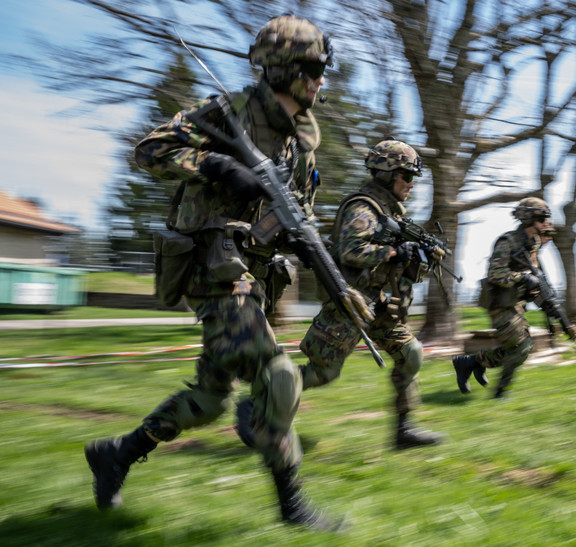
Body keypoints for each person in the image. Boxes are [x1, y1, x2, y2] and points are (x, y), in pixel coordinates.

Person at [83, 15, 358, 530]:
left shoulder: (301, 144)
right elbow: (149, 149)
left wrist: (303, 238)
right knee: (278, 376)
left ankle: (116, 455)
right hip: (212, 266)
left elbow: (299, 209)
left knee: (209, 399)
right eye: (316, 68)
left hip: (249, 272)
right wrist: (214, 165)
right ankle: (293, 508)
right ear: (284, 70)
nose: (323, 79)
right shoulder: (227, 112)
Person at [299, 139, 443, 449]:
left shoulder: (391, 212)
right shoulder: (363, 208)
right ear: (388, 174)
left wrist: (419, 256)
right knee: (323, 372)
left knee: (411, 353)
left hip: (375, 302)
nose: (412, 184)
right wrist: (394, 251)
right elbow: (351, 250)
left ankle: (403, 431)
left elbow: (396, 260)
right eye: (408, 176)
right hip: (350, 300)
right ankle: (262, 401)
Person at [451, 197, 576, 398]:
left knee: (516, 348)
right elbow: (495, 274)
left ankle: (471, 363)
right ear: (528, 219)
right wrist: (522, 278)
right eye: (542, 218)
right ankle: (499, 392)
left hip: (515, 304)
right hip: (499, 304)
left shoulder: (533, 244)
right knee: (522, 347)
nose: (547, 222)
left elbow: (534, 281)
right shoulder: (507, 242)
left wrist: (554, 312)